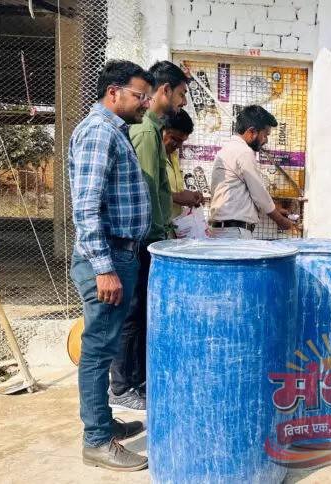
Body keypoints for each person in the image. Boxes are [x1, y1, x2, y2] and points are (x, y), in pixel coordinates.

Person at [69, 59, 153, 471]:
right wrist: (104, 268)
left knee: (106, 344)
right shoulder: (99, 132)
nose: (146, 104)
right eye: (140, 96)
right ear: (113, 92)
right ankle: (97, 441)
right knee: (99, 349)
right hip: (108, 256)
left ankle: (102, 422)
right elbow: (86, 208)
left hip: (120, 253)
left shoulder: (113, 132)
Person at [108, 60, 188, 412]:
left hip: (152, 237)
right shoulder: (143, 132)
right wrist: (153, 235)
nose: (182, 102)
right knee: (131, 315)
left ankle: (137, 382)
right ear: (165, 90)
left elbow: (157, 192)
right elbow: (143, 191)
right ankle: (122, 386)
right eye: (181, 94)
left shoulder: (152, 130)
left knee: (141, 315)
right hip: (140, 240)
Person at [209, 105, 295, 238]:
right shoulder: (244, 152)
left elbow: (246, 193)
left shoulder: (229, 149)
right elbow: (259, 194)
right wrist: (281, 221)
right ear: (252, 132)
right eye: (265, 135)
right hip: (234, 233)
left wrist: (276, 208)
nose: (266, 140)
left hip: (226, 231)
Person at [162, 109, 204, 217]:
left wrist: (191, 196)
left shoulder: (173, 155)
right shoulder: (151, 153)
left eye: (182, 141)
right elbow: (148, 190)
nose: (179, 146)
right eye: (175, 139)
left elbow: (174, 190)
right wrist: (176, 198)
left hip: (173, 224)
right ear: (162, 130)